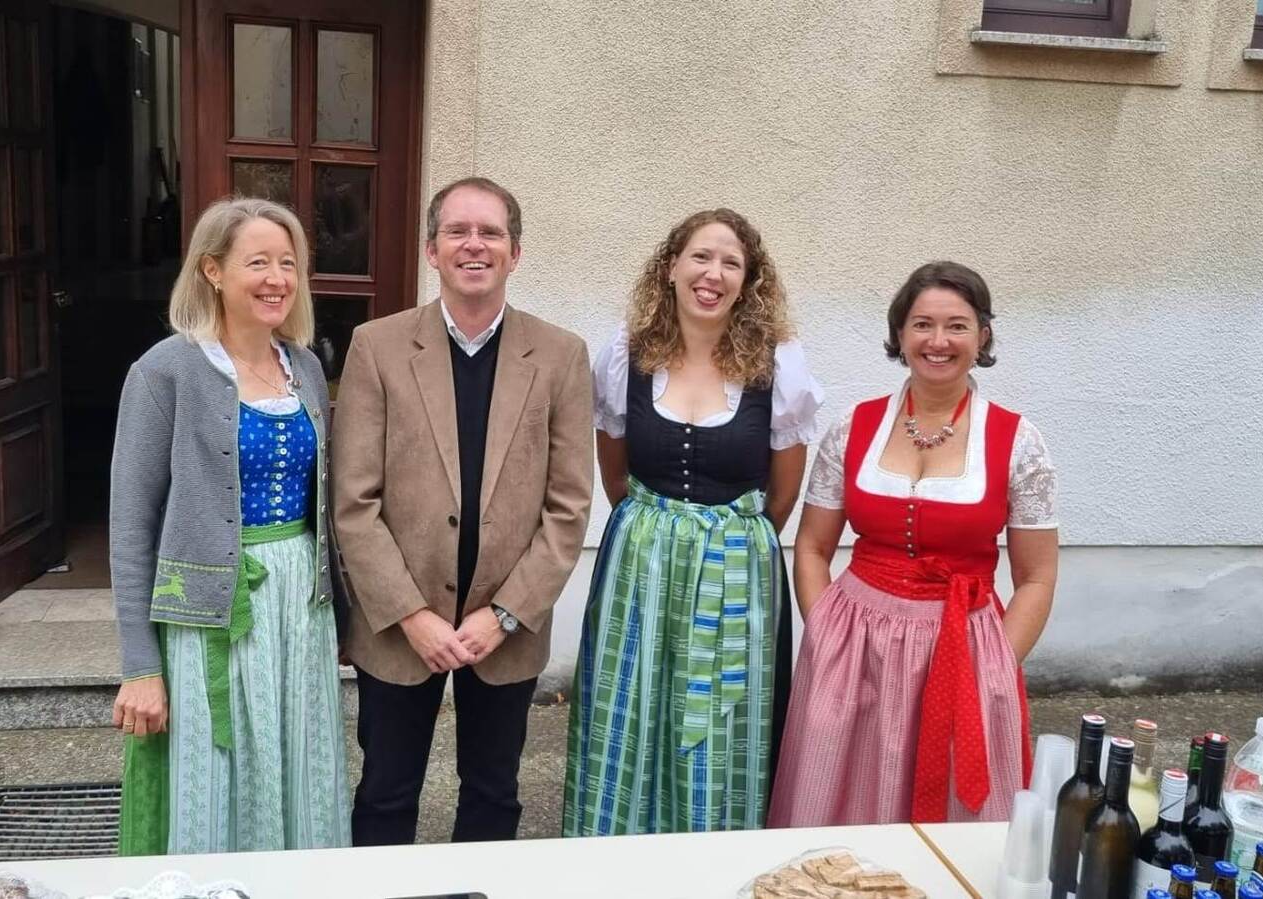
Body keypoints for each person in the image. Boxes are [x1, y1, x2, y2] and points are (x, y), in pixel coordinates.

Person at [334, 177, 593, 845]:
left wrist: (505, 614)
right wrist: (412, 615)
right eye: (458, 231)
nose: (474, 244)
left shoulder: (561, 355)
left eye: (490, 233)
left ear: (515, 252)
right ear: (432, 249)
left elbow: (569, 505)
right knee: (385, 792)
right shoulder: (376, 347)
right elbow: (354, 502)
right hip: (399, 625)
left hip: (508, 625)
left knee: (493, 793)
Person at [768, 261, 1059, 827]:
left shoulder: (1019, 442)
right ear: (900, 334)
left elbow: (1037, 577)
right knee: (838, 801)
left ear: (983, 336)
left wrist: (995, 666)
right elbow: (812, 548)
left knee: (951, 819)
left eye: (957, 325)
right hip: (856, 644)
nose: (938, 341)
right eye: (923, 324)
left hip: (962, 643)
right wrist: (825, 630)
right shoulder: (853, 428)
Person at [563, 208, 824, 835]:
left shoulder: (777, 365)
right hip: (642, 560)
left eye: (732, 263)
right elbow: (616, 476)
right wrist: (662, 531)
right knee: (630, 705)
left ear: (748, 282)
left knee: (725, 720)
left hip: (735, 565)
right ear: (671, 267)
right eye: (701, 257)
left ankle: (713, 847)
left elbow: (781, 495)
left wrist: (726, 538)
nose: (713, 274)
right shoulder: (627, 355)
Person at [109, 196, 350, 854]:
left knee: (300, 762)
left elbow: (323, 506)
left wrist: (341, 612)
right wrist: (139, 665)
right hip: (208, 609)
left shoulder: (304, 367)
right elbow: (130, 526)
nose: (277, 278)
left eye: (288, 263)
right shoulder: (164, 371)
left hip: (300, 605)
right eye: (258, 262)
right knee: (216, 774)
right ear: (212, 271)